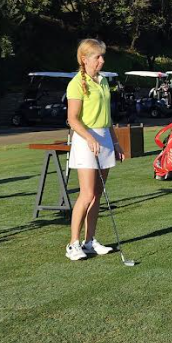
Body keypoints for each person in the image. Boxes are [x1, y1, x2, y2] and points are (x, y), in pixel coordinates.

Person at [63, 39, 123, 261]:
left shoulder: (104, 81)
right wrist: (89, 138)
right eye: (97, 56)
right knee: (87, 194)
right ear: (84, 58)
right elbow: (72, 119)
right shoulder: (76, 83)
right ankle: (73, 244)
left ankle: (90, 241)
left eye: (102, 56)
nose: (102, 60)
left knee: (97, 194)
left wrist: (115, 143)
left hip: (104, 138)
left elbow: (107, 118)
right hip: (85, 139)